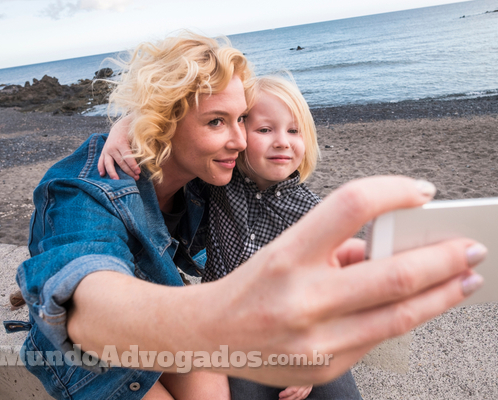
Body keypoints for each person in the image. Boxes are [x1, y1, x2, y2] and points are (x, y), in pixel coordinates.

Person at [7, 31, 486, 400]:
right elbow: (87, 308)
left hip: (167, 303)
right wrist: (222, 314)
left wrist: (128, 120)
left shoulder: (208, 173)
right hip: (83, 351)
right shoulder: (84, 191)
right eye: (218, 122)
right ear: (164, 122)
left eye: (240, 119)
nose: (239, 140)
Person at [100, 75, 363, 399]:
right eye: (265, 130)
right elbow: (171, 122)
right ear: (238, 136)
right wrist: (121, 130)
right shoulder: (222, 181)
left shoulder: (314, 213)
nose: (282, 141)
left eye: (294, 131)